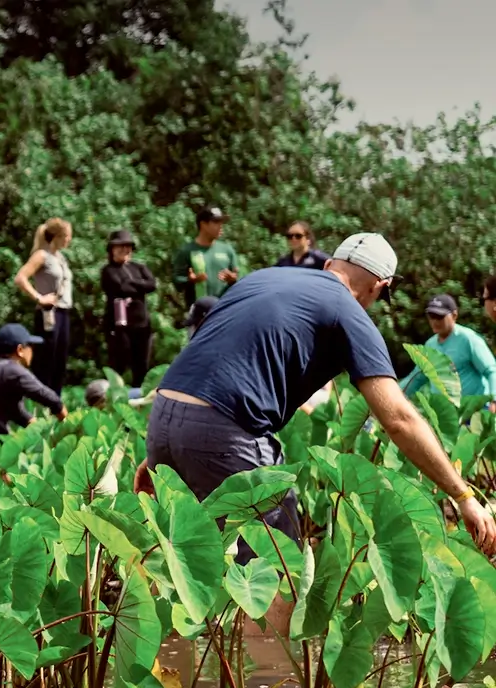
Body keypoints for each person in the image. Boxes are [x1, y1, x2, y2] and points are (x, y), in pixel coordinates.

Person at [138, 233, 496, 557]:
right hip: (223, 431)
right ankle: (261, 633)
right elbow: (398, 419)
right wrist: (462, 495)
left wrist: (166, 445)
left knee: (193, 558)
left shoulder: (260, 278)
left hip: (165, 416)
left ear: (328, 265)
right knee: (276, 562)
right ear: (379, 286)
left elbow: (205, 354)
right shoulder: (348, 310)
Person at [0, 324, 69, 435]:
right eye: (30, 345)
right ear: (20, 350)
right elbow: (47, 396)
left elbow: (14, 410)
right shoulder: (11, 369)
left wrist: (35, 427)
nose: (32, 350)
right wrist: (66, 423)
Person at [14, 218, 74, 393]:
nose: (69, 240)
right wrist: (39, 298)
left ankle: (56, 400)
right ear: (57, 236)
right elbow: (20, 278)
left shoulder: (60, 258)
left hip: (63, 312)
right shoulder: (41, 256)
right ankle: (40, 397)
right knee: (46, 358)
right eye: (67, 236)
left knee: (60, 360)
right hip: (48, 313)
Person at [401, 294, 496, 399]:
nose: (435, 321)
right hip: (445, 413)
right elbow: (416, 378)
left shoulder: (468, 339)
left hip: (473, 410)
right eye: (431, 317)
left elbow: (491, 371)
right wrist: (393, 395)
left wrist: (494, 400)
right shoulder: (430, 345)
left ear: (454, 315)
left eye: (440, 317)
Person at [100, 229, 157, 385]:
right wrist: (140, 285)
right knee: (119, 364)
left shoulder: (138, 267)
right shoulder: (108, 270)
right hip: (120, 326)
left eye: (128, 247)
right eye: (120, 246)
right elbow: (120, 288)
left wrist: (132, 282)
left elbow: (152, 284)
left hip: (142, 323)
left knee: (142, 365)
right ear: (112, 249)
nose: (125, 250)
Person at [172, 207, 240, 305]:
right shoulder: (186, 251)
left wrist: (233, 279)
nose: (221, 226)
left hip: (224, 309)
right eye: (216, 222)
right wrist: (191, 280)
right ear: (203, 224)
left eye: (222, 222)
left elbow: (240, 279)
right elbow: (177, 281)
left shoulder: (227, 250)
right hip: (199, 311)